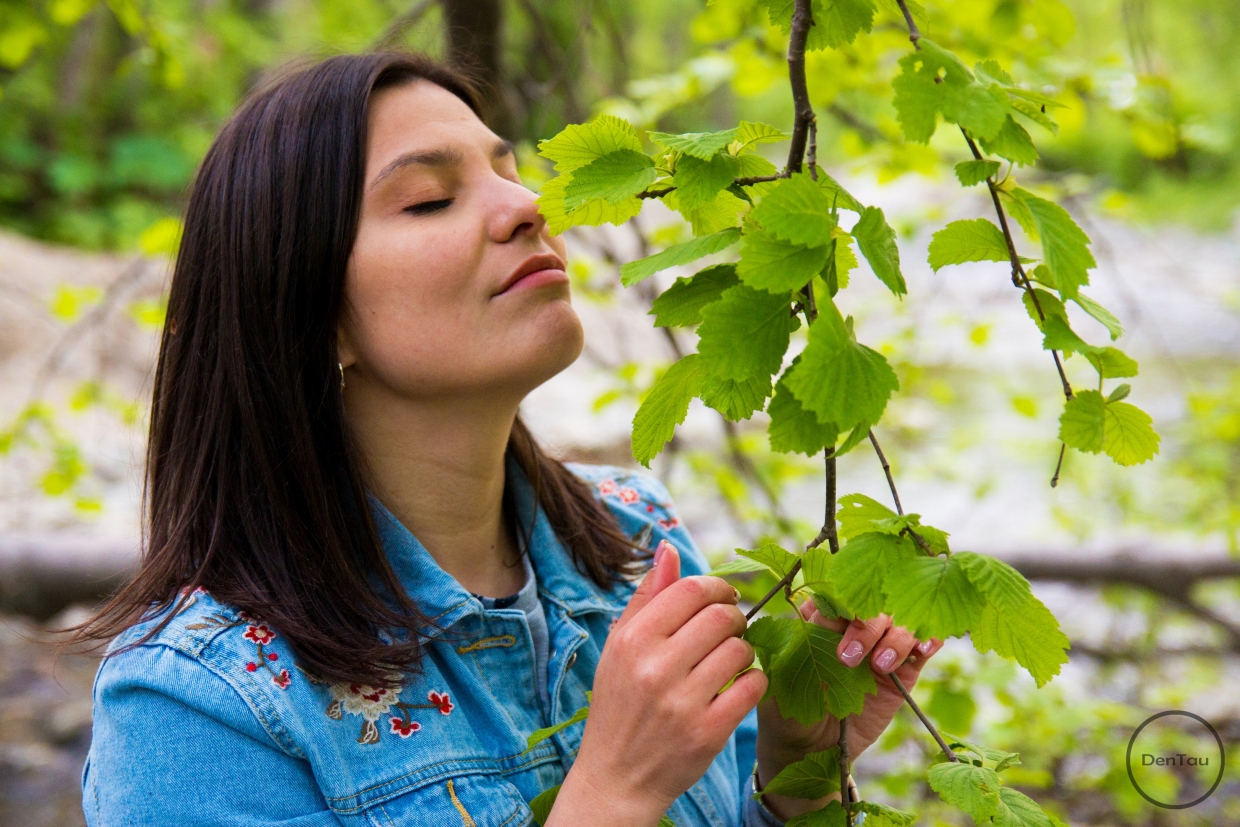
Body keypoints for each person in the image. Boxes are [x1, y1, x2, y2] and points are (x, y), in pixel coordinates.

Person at [71, 51, 943, 827]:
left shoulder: (638, 542)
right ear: (306, 313)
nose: (526, 207)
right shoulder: (198, 704)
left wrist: (796, 777)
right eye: (429, 199)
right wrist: (612, 796)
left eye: (510, 172)